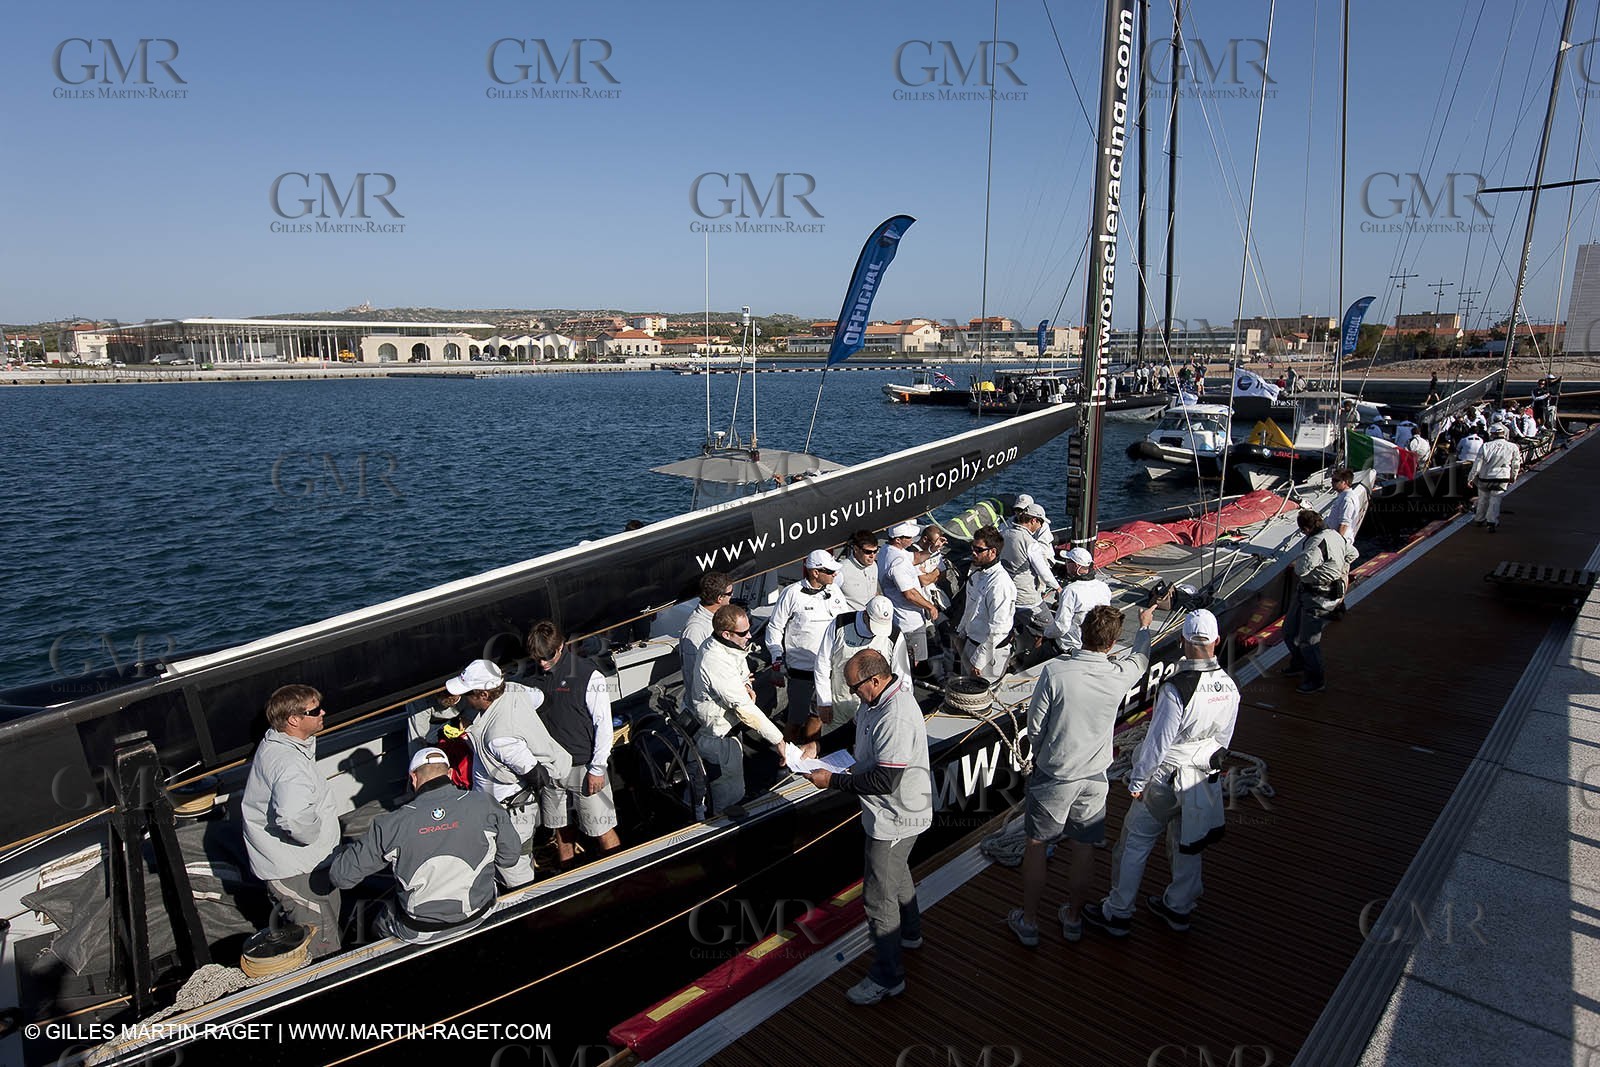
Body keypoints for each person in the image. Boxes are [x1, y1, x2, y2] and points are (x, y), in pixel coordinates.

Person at [1082, 609, 1240, 938]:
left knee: (1135, 842)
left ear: (1183, 641)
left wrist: (1138, 781)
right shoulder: (1229, 686)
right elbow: (1223, 741)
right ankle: (1178, 906)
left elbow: (1158, 742)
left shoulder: (1176, 688)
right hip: (1201, 777)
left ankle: (1118, 911)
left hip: (1167, 777)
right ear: (1216, 642)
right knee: (1188, 842)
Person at [1008, 601, 1158, 947]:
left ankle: (1029, 922)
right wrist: (1146, 625)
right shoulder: (1120, 674)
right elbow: (1142, 656)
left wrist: (1042, 751)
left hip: (1055, 774)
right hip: (1095, 775)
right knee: (1083, 846)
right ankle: (1073, 918)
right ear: (1112, 642)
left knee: (1036, 843)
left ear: (1083, 632)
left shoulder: (1056, 672)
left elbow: (1036, 726)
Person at [804, 649, 932, 1005]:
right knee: (898, 872)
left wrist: (832, 781)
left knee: (877, 897)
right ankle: (910, 934)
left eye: (854, 687)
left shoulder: (895, 716)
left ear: (875, 680)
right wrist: (820, 744)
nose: (851, 694)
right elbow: (854, 727)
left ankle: (888, 976)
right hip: (896, 814)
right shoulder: (876, 700)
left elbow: (885, 780)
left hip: (895, 817)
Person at [329, 747, 522, 944]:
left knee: (374, 922)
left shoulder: (390, 824)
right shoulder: (485, 804)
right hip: (479, 914)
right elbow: (510, 857)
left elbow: (342, 877)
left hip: (419, 930)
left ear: (413, 778)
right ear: (449, 774)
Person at [241, 685, 344, 959]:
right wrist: (315, 837)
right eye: (315, 710)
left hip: (308, 865)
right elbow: (291, 816)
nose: (323, 712)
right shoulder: (290, 764)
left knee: (326, 923)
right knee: (321, 944)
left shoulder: (279, 743)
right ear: (294, 720)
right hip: (298, 870)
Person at [456, 659, 571, 885]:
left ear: (484, 695)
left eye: (467, 694)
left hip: (510, 812)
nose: (464, 700)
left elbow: (536, 774)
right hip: (510, 807)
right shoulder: (514, 689)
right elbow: (541, 699)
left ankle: (527, 904)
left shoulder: (499, 738)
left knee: (513, 867)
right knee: (518, 859)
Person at [525, 621, 622, 867]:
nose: (543, 663)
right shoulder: (534, 677)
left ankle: (618, 872)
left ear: (561, 647)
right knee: (560, 826)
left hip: (584, 766)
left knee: (602, 827)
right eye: (537, 658)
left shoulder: (590, 675)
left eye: (547, 657)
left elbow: (603, 724)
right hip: (550, 768)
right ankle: (567, 870)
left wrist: (597, 768)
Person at [692, 603, 786, 814]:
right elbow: (744, 710)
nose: (750, 636)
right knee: (728, 791)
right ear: (726, 634)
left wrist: (746, 685)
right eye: (744, 632)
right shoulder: (715, 661)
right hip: (720, 737)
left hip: (722, 729)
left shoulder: (727, 646)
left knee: (710, 780)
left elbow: (741, 672)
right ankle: (719, 824)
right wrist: (778, 739)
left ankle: (701, 809)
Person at [765, 549, 850, 735]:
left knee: (819, 715)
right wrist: (776, 659)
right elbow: (775, 627)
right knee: (795, 720)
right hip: (803, 670)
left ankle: (809, 755)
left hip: (829, 668)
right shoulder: (791, 594)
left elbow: (844, 622)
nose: (834, 574)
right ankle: (786, 758)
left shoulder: (834, 590)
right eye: (829, 571)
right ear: (815, 572)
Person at [815, 595, 913, 734]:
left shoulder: (895, 635)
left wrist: (904, 710)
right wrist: (824, 701)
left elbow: (903, 676)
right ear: (866, 614)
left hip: (874, 708)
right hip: (839, 704)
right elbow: (822, 664)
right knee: (832, 747)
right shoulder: (840, 623)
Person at [1280, 510, 1354, 694]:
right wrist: (1340, 567)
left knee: (1308, 640)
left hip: (1317, 595)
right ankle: (1298, 663)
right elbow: (1353, 553)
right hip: (1306, 591)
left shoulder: (1316, 544)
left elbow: (1301, 570)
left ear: (1306, 529)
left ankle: (1316, 679)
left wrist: (1322, 570)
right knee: (1289, 630)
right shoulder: (1335, 535)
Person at [957, 525, 1017, 684]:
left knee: (980, 697)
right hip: (971, 643)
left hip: (989, 654)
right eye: (973, 547)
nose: (973, 553)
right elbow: (971, 608)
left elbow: (999, 627)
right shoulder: (978, 574)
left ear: (993, 552)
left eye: (978, 549)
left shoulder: (1000, 584)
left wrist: (979, 660)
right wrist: (961, 632)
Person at [879, 521, 942, 670]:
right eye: (908, 537)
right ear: (898, 540)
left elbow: (915, 557)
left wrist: (932, 549)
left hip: (902, 618)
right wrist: (930, 606)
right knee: (912, 663)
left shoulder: (888, 550)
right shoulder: (898, 562)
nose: (913, 540)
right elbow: (909, 593)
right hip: (909, 622)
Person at [1000, 503, 1061, 649]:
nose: (1040, 527)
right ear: (1033, 520)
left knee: (1010, 628)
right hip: (1027, 598)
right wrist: (1058, 588)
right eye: (1040, 522)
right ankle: (1036, 659)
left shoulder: (1004, 534)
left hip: (1007, 595)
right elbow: (1044, 573)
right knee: (1050, 629)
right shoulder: (1030, 543)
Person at [679, 571, 733, 712]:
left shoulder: (716, 618)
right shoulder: (695, 630)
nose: (732, 597)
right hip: (707, 709)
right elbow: (695, 675)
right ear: (720, 598)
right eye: (730, 593)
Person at [1044, 547, 1113, 653]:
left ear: (1076, 565)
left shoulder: (1070, 591)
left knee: (1033, 657)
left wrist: (1046, 632)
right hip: (1093, 645)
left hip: (1070, 646)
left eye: (1068, 561)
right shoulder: (1104, 587)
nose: (1065, 563)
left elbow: (1062, 627)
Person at [405, 691, 473, 788]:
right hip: (431, 727)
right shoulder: (420, 700)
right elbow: (417, 742)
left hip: (461, 722)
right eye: (442, 694)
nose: (447, 695)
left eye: (452, 694)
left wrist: (466, 719)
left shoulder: (469, 692)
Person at [1469, 423, 1523, 532]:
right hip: (1502, 477)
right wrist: (1513, 476)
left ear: (1492, 434)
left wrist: (1471, 477)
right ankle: (1491, 521)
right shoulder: (1512, 447)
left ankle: (1479, 519)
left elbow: (1477, 463)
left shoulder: (1485, 446)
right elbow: (1516, 464)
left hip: (1485, 477)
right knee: (1495, 500)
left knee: (1483, 499)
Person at [834, 530, 882, 611]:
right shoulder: (841, 570)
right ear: (856, 549)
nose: (872, 556)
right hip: (850, 621)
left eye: (875, 551)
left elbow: (874, 592)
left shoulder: (874, 566)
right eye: (868, 552)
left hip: (870, 618)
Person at [1324, 467, 1369, 544]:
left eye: (1335, 480)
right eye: (1332, 480)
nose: (1332, 482)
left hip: (1340, 541)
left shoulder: (1347, 500)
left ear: (1345, 482)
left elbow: (1344, 524)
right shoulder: (1344, 496)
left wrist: (1336, 544)